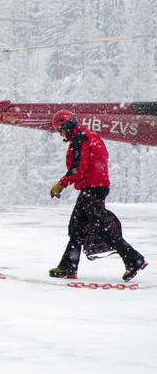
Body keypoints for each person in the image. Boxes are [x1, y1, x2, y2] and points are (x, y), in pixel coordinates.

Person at [47, 110, 147, 282]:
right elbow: (100, 159)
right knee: (76, 227)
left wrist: (61, 183)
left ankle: (133, 259)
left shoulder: (80, 138)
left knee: (101, 227)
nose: (60, 133)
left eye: (60, 129)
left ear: (66, 125)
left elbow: (79, 167)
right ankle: (68, 266)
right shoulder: (88, 136)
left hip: (92, 188)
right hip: (94, 186)